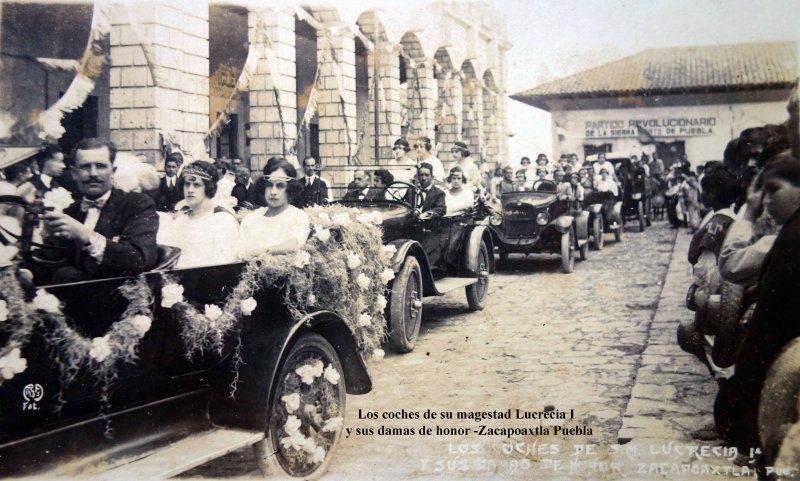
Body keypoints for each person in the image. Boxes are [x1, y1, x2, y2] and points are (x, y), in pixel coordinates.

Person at [715, 155, 800, 463]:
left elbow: (729, 264)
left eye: (773, 190)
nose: (766, 201)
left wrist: (748, 214)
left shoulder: (784, 239)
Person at [39, 138, 159, 283]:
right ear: (74, 173)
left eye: (100, 166)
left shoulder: (138, 204)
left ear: (113, 171)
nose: (93, 173)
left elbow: (138, 260)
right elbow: (50, 259)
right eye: (85, 167)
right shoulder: (71, 211)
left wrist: (85, 234)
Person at [157, 161, 240, 268]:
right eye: (187, 184)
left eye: (196, 185)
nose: (190, 190)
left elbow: (224, 263)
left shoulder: (223, 220)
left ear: (208, 187)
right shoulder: (180, 221)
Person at [240, 159, 310, 258]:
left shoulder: (298, 216)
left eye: (280, 186)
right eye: (269, 185)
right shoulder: (251, 218)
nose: (273, 192)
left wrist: (262, 251)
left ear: (290, 189)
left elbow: (293, 245)